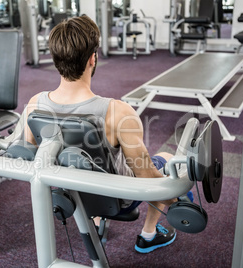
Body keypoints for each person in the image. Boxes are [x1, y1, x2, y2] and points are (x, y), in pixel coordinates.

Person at [24, 15, 178, 253]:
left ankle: (94, 222)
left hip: (68, 196)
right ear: (92, 59)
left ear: (55, 60)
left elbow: (33, 157)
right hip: (115, 199)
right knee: (167, 159)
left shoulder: (35, 105)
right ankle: (148, 235)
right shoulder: (118, 112)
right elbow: (148, 177)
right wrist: (176, 198)